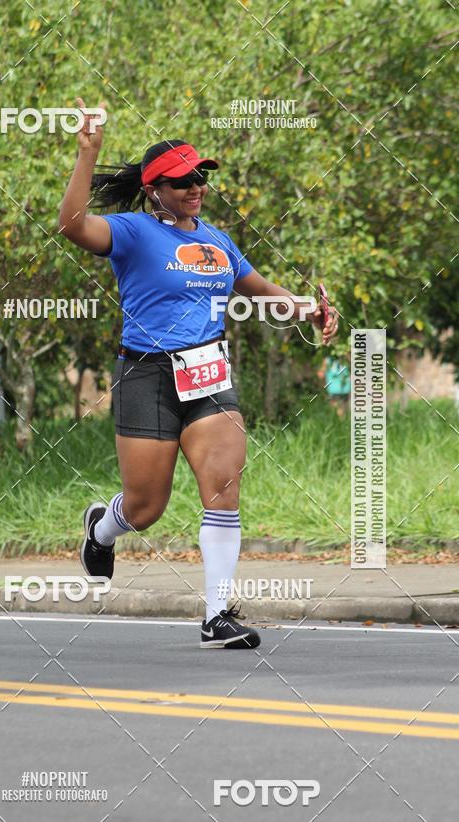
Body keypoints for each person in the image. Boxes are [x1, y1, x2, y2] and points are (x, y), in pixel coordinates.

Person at [58, 99, 339, 649]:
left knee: (224, 485)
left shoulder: (217, 240)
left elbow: (258, 291)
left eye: (199, 177)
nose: (194, 187)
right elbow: (72, 225)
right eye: (180, 181)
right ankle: (102, 527)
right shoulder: (134, 232)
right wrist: (87, 154)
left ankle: (217, 615)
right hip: (146, 376)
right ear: (153, 190)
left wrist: (306, 306)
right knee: (147, 507)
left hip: (209, 373)